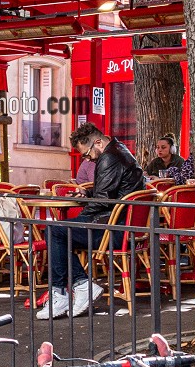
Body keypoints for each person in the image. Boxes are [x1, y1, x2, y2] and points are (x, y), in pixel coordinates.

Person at [39, 122, 145, 320]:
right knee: (58, 232)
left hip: (112, 230)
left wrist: (81, 214)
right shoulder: (120, 151)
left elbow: (102, 201)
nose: (87, 159)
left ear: (97, 142)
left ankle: (72, 289)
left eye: (86, 154)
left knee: (55, 232)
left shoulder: (109, 158)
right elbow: (110, 193)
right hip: (123, 227)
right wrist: (88, 192)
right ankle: (70, 289)